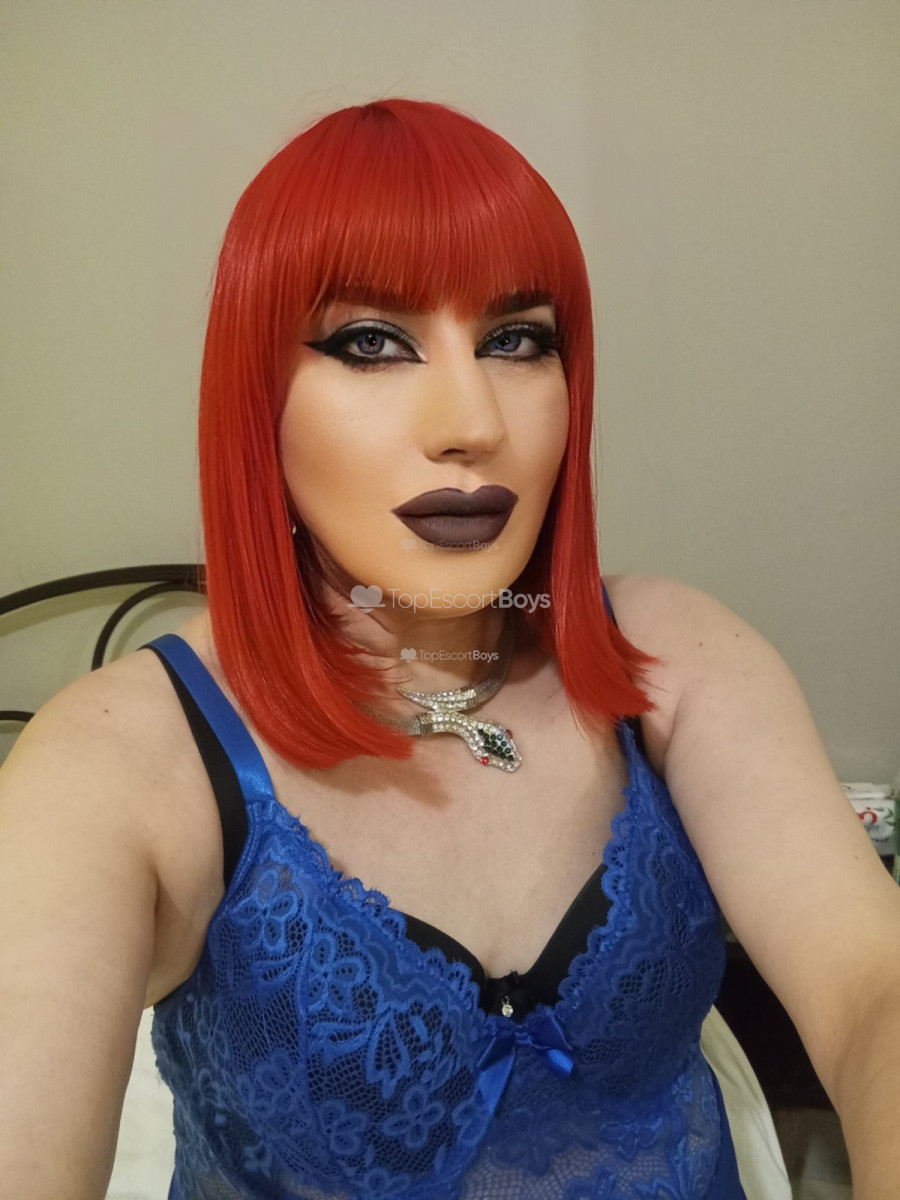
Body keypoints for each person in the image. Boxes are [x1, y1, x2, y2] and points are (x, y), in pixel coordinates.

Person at [1, 98, 898, 1200]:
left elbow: (873, 989)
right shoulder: (118, 760)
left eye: (516, 340)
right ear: (257, 401)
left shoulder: (672, 653)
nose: (472, 422)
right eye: (371, 343)